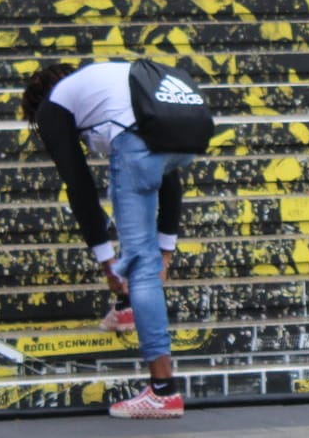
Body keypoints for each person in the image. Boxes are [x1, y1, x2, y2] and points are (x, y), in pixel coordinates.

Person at [22, 61, 194, 419]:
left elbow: (79, 185)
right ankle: (127, 305)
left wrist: (107, 263)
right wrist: (166, 249)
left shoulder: (52, 107)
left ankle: (163, 391)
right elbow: (170, 177)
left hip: (138, 138)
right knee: (145, 257)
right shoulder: (108, 85)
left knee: (139, 267)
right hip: (187, 123)